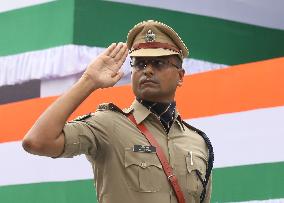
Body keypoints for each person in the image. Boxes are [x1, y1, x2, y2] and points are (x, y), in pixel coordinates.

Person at [22, 20, 214, 203]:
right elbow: (37, 141)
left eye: (159, 63)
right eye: (139, 64)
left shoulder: (198, 143)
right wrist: (88, 81)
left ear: (180, 76)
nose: (147, 70)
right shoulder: (108, 125)